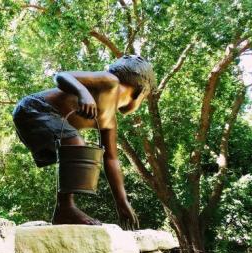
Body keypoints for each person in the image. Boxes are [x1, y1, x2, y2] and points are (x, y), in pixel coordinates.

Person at [12, 55, 156, 228]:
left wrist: (122, 201)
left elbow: (111, 159)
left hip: (43, 121)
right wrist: (83, 93)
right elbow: (61, 76)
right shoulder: (110, 82)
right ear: (140, 91)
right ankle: (66, 208)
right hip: (33, 108)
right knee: (76, 144)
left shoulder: (109, 120)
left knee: (75, 147)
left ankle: (62, 210)